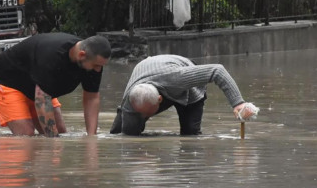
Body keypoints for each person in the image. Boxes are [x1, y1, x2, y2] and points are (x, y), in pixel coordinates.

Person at [0, 33, 111, 137]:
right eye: (96, 66)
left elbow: (92, 98)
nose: (98, 70)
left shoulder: (93, 63)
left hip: (37, 85)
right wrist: (53, 142)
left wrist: (91, 137)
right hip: (6, 80)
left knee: (61, 132)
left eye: (101, 66)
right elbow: (42, 101)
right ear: (81, 55)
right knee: (26, 136)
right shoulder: (52, 57)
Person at [110, 54, 257, 136]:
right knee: (122, 132)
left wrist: (238, 103)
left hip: (185, 86)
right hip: (147, 79)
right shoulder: (131, 100)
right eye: (141, 113)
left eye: (147, 114)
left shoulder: (177, 77)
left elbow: (217, 70)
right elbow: (127, 139)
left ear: (160, 99)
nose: (145, 118)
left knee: (190, 135)